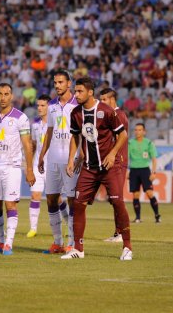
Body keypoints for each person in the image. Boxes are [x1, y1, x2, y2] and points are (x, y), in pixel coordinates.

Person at [62, 77, 131, 261]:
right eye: (75, 91)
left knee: (117, 203)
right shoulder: (76, 113)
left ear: (90, 92)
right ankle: (78, 249)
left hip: (109, 167)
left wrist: (112, 153)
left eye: (79, 92)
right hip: (89, 168)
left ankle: (127, 247)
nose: (76, 95)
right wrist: (71, 159)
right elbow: (75, 137)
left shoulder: (106, 111)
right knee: (78, 205)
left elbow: (123, 135)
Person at [0, 83, 35, 256]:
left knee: (10, 204)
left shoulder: (21, 118)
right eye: (0, 94)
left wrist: (30, 169)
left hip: (12, 166)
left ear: (11, 96)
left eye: (6, 94)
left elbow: (27, 145)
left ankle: (9, 244)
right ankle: (0, 241)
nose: (3, 97)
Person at [37, 70, 78, 254]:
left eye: (61, 82)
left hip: (71, 160)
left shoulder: (77, 104)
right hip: (52, 159)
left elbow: (78, 135)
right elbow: (50, 131)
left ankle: (72, 242)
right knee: (51, 199)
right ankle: (57, 242)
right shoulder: (51, 105)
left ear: (69, 83)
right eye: (55, 82)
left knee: (71, 200)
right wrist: (41, 155)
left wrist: (74, 158)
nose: (57, 85)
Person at [99, 88, 129, 243]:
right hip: (111, 161)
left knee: (118, 199)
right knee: (113, 199)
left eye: (104, 99)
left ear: (112, 99)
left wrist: (113, 155)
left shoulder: (119, 115)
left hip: (119, 161)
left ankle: (121, 233)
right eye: (101, 99)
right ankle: (118, 232)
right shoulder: (110, 115)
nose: (101, 103)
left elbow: (120, 138)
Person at [27, 94, 52, 238]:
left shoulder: (54, 125)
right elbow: (34, 145)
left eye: (43, 105)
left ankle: (67, 222)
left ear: (49, 107)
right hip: (37, 165)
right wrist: (30, 165)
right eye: (38, 105)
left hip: (51, 166)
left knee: (54, 199)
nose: (39, 108)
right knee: (35, 195)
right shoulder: (35, 125)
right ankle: (33, 228)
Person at [128, 123, 161, 224]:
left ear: (144, 132)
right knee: (135, 194)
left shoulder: (149, 143)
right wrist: (126, 171)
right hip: (133, 170)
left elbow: (154, 159)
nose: (137, 132)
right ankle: (138, 218)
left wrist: (154, 172)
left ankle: (157, 215)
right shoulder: (130, 143)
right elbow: (125, 159)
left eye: (139, 130)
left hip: (145, 170)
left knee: (149, 193)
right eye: (136, 130)